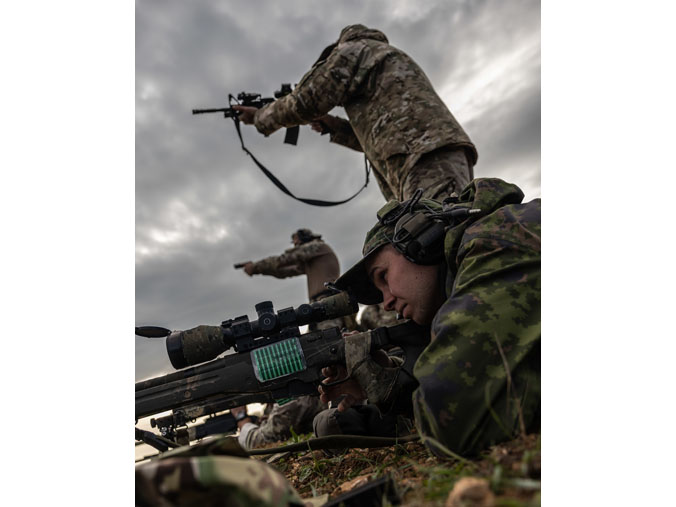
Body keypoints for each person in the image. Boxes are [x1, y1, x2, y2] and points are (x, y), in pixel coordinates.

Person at [320, 178, 541, 456]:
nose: (386, 302)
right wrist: (386, 383)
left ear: (421, 239)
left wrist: (394, 387)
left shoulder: (491, 242)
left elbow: (455, 419)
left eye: (384, 276)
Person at [234, 24, 477, 203]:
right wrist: (333, 126)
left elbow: (307, 99)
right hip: (422, 152)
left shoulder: (354, 50)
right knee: (435, 242)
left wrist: (259, 117)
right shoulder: (380, 56)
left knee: (443, 237)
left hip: (424, 155)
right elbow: (380, 133)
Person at [235, 228, 355, 449]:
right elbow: (285, 270)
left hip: (328, 307)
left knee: (330, 356)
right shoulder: (312, 257)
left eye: (296, 242)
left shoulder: (318, 248)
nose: (294, 246)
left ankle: (343, 406)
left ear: (305, 239)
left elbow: (285, 260)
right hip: (321, 309)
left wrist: (257, 266)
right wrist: (259, 270)